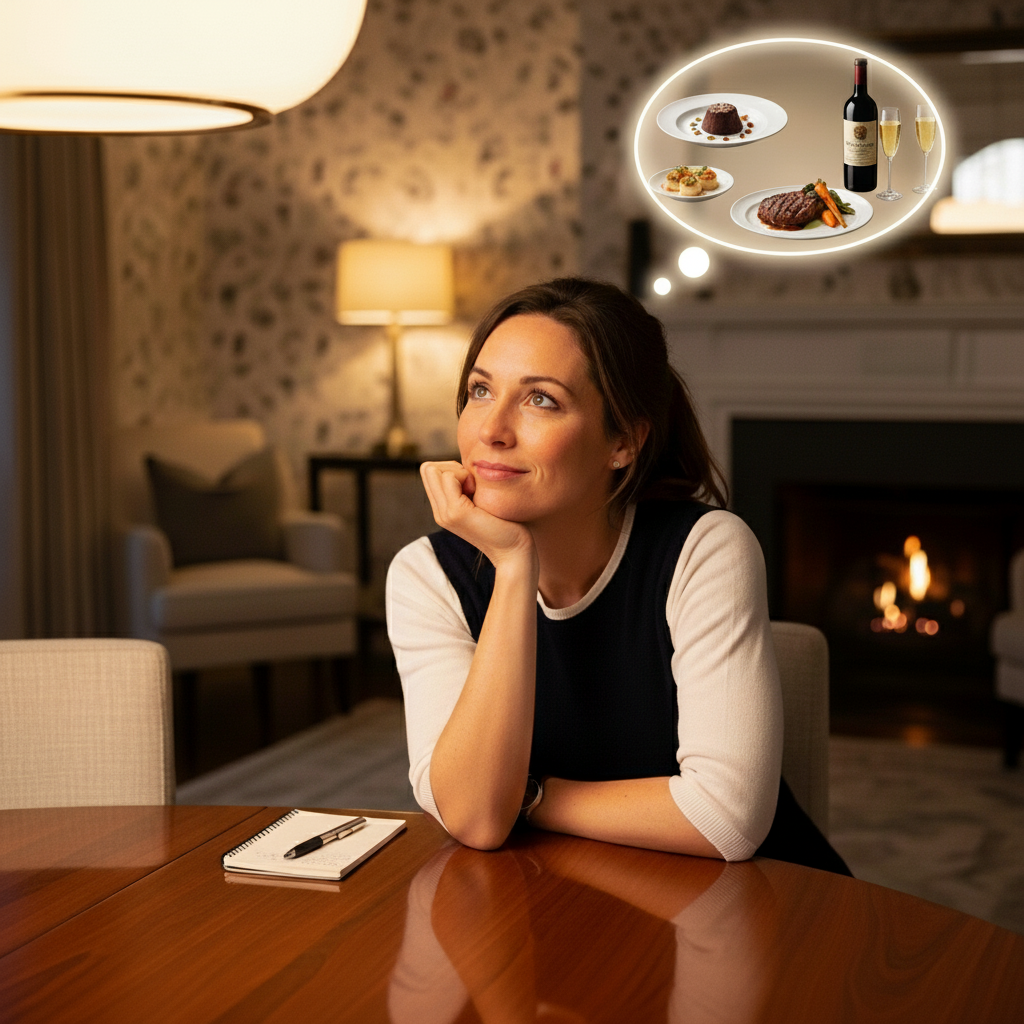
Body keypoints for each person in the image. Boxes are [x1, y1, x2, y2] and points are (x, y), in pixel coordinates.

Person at [386, 277, 848, 873]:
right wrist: (513, 565)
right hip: (556, 907)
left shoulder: (705, 550)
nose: (492, 430)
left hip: (755, 907)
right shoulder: (425, 576)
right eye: (480, 390)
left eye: (541, 399)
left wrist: (528, 795)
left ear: (624, 442)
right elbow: (475, 819)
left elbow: (726, 819)